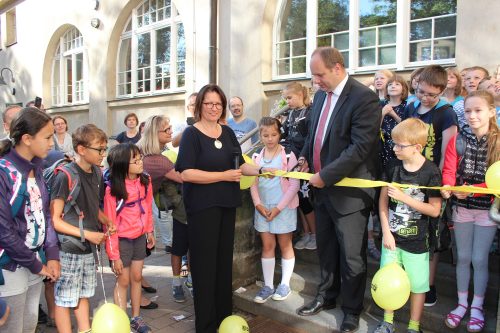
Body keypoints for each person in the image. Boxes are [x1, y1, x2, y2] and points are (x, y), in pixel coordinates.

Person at [295, 47, 381, 333]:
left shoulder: (364, 98)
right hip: (321, 189)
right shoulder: (320, 96)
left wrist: (325, 176)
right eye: (314, 75)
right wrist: (305, 156)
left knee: (352, 256)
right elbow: (314, 134)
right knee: (327, 250)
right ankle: (326, 296)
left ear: (337, 68)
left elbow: (360, 148)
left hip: (350, 195)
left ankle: (352, 309)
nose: (316, 81)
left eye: (319, 74)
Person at [175, 84, 261, 333]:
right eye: (209, 103)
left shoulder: (227, 132)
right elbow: (187, 173)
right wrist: (223, 175)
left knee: (223, 266)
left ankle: (224, 319)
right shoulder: (192, 134)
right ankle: (206, 325)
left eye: (218, 104)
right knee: (204, 268)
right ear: (200, 105)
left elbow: (241, 164)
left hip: (226, 205)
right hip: (202, 209)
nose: (214, 108)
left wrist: (263, 170)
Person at [374, 118, 442, 333]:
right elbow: (383, 201)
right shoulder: (393, 166)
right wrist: (386, 232)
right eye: (393, 143)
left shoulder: (431, 172)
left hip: (417, 241)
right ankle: (388, 322)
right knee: (387, 281)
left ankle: (414, 326)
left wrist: (406, 198)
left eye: (399, 145)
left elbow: (434, 210)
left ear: (417, 147)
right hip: (392, 239)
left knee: (418, 285)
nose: (394, 149)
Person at [442, 90, 499, 332]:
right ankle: (462, 302)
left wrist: (473, 190)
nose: (472, 116)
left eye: (478, 110)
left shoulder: (498, 140)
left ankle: (477, 305)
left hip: (486, 211)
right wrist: (449, 187)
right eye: (467, 111)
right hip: (462, 209)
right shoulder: (458, 139)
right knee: (463, 258)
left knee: (479, 259)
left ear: (491, 112)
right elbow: (448, 169)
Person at [0, 107, 60, 333]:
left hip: (36, 261)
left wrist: (52, 254)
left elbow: (45, 214)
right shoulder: (4, 172)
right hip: (10, 265)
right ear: (26, 139)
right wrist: (37, 265)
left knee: (29, 324)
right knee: (12, 327)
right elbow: (4, 231)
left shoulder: (37, 168)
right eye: (46, 137)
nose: (52, 143)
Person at [50, 124, 115, 333]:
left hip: (88, 246)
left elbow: (92, 206)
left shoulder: (97, 172)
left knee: (83, 294)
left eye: (105, 149)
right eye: (99, 149)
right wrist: (89, 234)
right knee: (65, 299)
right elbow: (55, 220)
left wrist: (106, 220)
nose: (103, 154)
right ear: (81, 149)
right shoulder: (65, 175)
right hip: (69, 248)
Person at [404, 65, 458, 307]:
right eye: (421, 92)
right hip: (409, 175)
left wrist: (444, 181)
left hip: (432, 179)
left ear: (442, 91)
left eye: (431, 95)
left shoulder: (446, 113)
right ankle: (409, 280)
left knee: (431, 237)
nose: (425, 98)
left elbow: (449, 151)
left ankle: (428, 285)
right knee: (409, 229)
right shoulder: (410, 106)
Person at [104, 143, 155, 333]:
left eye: (140, 158)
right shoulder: (112, 190)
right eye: (135, 160)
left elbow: (148, 208)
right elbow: (108, 224)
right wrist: (114, 255)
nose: (140, 162)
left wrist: (150, 231)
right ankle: (120, 320)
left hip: (139, 237)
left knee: (137, 276)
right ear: (122, 164)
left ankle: (135, 318)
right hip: (121, 240)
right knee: (123, 280)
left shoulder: (145, 181)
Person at [250, 117, 300, 303]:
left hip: (284, 208)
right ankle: (268, 285)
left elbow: (294, 185)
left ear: (279, 134)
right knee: (268, 246)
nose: (270, 138)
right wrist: (258, 205)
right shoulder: (256, 157)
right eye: (265, 135)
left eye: (273, 134)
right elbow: (252, 183)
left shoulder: (288, 156)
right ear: (260, 136)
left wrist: (278, 208)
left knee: (285, 245)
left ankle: (284, 284)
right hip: (263, 208)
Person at [137, 116, 182, 255]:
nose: (171, 131)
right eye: (166, 129)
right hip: (132, 209)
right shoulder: (158, 160)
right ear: (155, 133)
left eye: (170, 127)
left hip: (136, 205)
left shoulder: (145, 151)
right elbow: (185, 178)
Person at [280, 82, 316, 251]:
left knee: (306, 199)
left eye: (289, 97)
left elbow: (311, 139)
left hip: (304, 163)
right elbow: (285, 136)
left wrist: (304, 158)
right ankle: (306, 233)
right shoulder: (292, 113)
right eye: (285, 98)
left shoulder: (310, 112)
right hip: (291, 161)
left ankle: (315, 234)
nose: (287, 101)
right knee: (298, 200)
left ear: (301, 95)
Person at [380, 75, 409, 168]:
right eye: (390, 84)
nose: (393, 86)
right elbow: (373, 127)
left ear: (403, 89)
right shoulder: (380, 104)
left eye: (397, 84)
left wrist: (393, 114)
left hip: (399, 147)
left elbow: (408, 127)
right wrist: (382, 113)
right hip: (381, 146)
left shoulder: (407, 105)